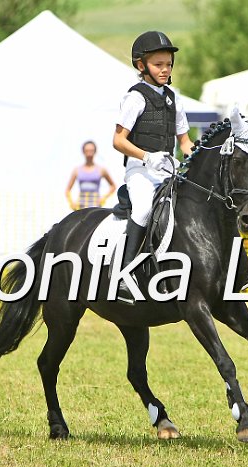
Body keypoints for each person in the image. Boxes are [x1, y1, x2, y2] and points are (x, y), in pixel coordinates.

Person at [112, 31, 194, 304]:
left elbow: (184, 141)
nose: (165, 69)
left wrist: (196, 158)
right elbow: (118, 140)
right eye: (159, 64)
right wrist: (147, 157)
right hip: (140, 171)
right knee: (145, 208)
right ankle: (124, 273)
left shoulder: (174, 99)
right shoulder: (135, 98)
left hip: (168, 170)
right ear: (141, 65)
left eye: (168, 64)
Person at [65, 141, 116, 209]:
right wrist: (71, 203)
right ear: (83, 151)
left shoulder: (101, 170)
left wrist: (104, 198)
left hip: (95, 205)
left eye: (91, 150)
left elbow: (113, 186)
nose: (89, 153)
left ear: (95, 151)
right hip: (80, 206)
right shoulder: (77, 170)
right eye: (87, 150)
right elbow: (67, 190)